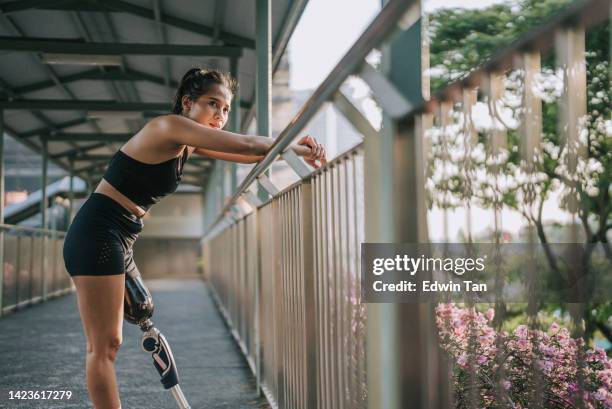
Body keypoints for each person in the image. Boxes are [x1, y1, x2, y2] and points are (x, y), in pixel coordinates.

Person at [62, 67, 327, 409]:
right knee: (104, 345)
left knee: (129, 322)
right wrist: (301, 147)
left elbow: (249, 154)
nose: (221, 115)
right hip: (98, 233)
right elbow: (247, 142)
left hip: (120, 237)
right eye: (213, 104)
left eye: (226, 109)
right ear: (188, 103)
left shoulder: (187, 144)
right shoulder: (168, 127)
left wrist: (297, 149)